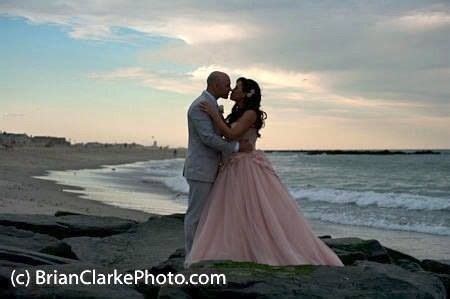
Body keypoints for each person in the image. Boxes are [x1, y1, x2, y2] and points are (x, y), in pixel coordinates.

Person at [184, 77, 344, 268]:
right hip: (230, 166)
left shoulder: (250, 113)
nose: (232, 90)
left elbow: (231, 134)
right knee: (230, 211)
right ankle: (210, 250)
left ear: (246, 93)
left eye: (236, 87)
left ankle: (248, 248)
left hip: (244, 167)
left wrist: (215, 115)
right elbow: (218, 137)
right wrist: (222, 125)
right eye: (229, 86)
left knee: (250, 210)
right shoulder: (219, 109)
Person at [182, 71, 253, 258]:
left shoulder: (211, 105)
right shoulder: (200, 106)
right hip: (201, 168)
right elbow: (208, 138)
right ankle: (192, 255)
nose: (229, 88)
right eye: (226, 84)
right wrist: (237, 147)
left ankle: (202, 252)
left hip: (211, 168)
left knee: (206, 215)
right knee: (196, 216)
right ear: (214, 85)